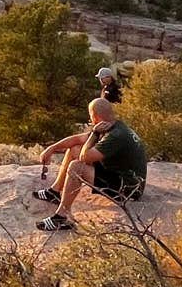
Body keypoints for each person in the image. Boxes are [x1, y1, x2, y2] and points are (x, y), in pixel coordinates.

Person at [34, 98, 147, 232]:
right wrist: (51, 148)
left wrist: (94, 133)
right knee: (74, 149)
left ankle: (62, 217)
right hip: (122, 175)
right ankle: (55, 192)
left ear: (95, 116)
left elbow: (84, 156)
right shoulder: (113, 125)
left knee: (77, 167)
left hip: (129, 189)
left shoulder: (115, 135)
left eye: (90, 115)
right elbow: (77, 139)